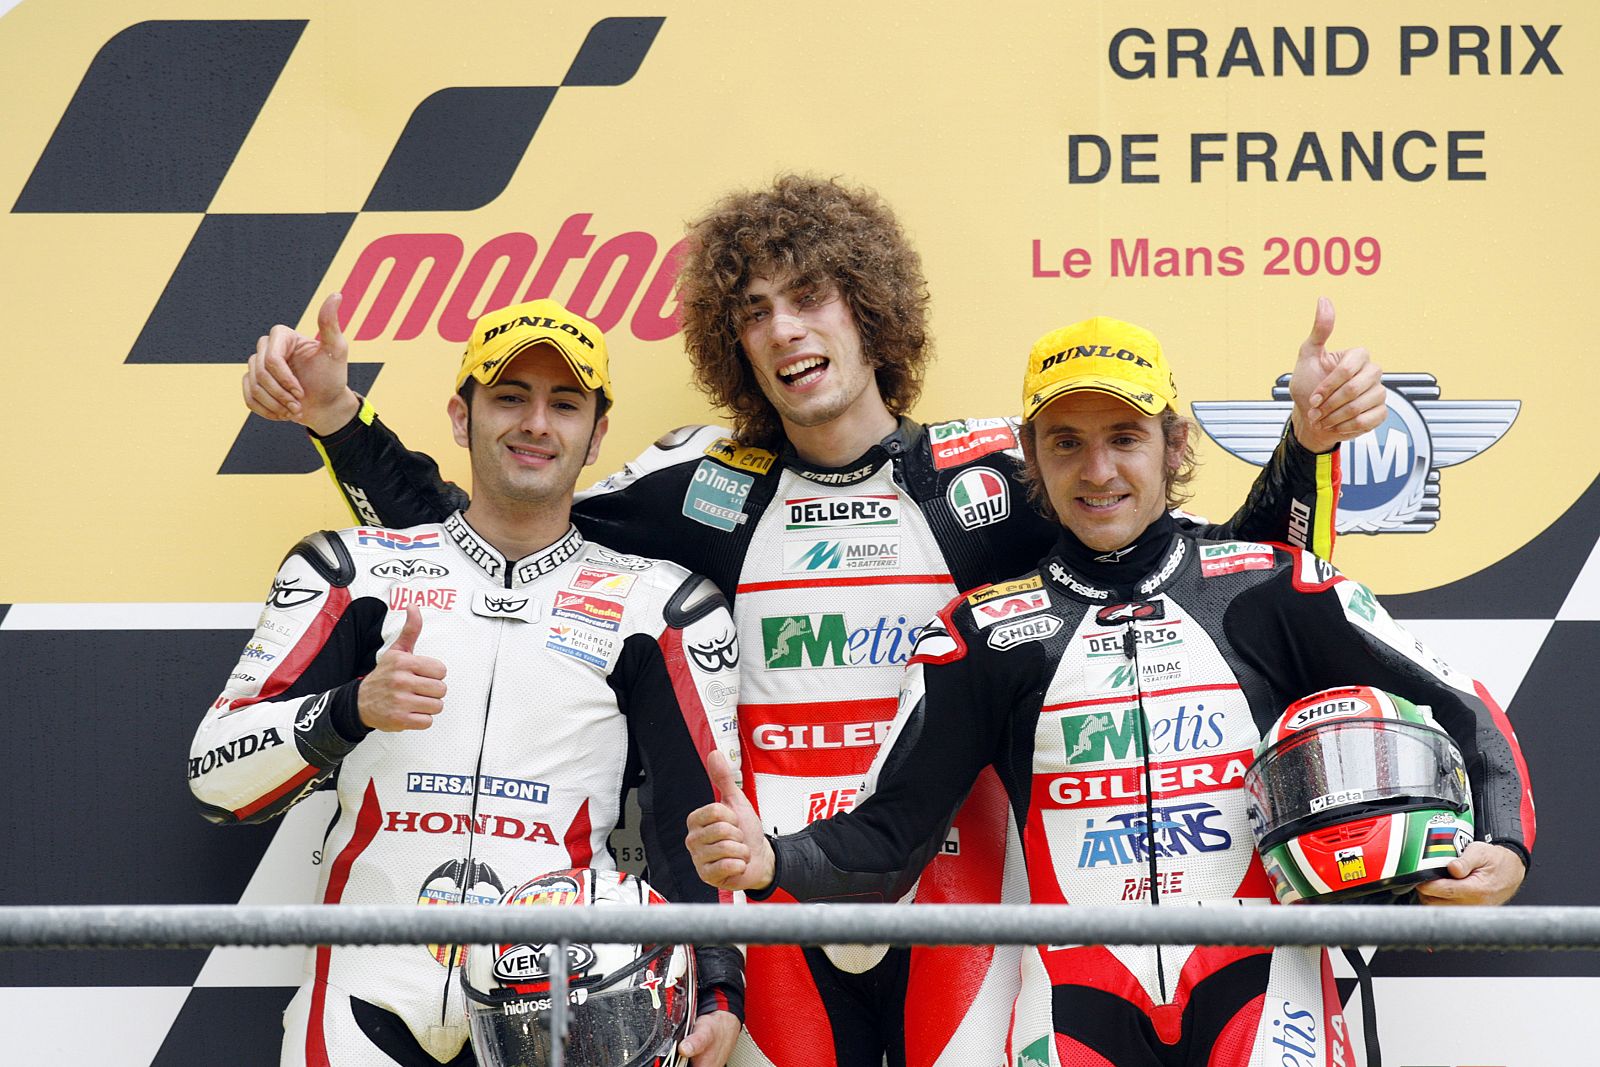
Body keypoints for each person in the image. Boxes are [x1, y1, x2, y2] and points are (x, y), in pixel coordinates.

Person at [239, 176, 1386, 1067]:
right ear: (730, 345)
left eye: (809, 296)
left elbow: (1206, 577)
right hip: (772, 894)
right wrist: (342, 420)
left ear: (869, 308)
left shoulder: (991, 472)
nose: (785, 330)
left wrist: (1308, 448)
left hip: (957, 897)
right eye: (753, 311)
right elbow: (501, 527)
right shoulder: (697, 489)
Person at [683, 314, 1535, 1067]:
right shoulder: (981, 632)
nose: (1098, 470)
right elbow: (890, 837)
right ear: (1030, 459)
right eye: (1066, 442)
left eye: (1124, 436)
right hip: (1075, 1008)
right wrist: (772, 861)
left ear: (1174, 446)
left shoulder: (1266, 588)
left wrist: (1505, 841)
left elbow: (1460, 707)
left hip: (1268, 993)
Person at [192, 300, 745, 1067]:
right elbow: (214, 777)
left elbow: (694, 818)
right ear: (462, 416)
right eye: (510, 396)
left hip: (565, 1001)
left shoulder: (662, 607)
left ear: (596, 433)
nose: (536, 423)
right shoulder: (352, 570)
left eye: (565, 403)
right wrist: (351, 709)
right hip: (365, 991)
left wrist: (718, 990)